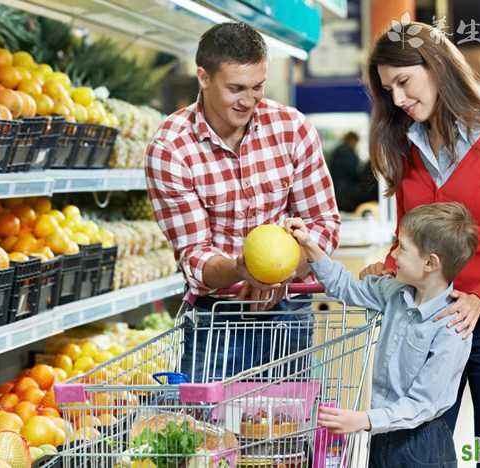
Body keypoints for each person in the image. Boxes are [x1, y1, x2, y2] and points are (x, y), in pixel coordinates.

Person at [359, 21, 480, 467]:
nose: (398, 100)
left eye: (404, 82)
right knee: (417, 455)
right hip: (425, 326)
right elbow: (411, 237)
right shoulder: (406, 146)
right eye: (388, 90)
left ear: (438, 66)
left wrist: (479, 300)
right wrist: (390, 263)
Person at [145, 22, 340, 382]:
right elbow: (194, 254)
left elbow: (324, 223)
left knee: (288, 430)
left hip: (289, 313)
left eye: (257, 87)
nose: (249, 100)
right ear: (203, 77)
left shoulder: (292, 128)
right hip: (219, 319)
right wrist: (242, 270)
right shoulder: (171, 148)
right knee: (212, 432)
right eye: (235, 88)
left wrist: (279, 272)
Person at [285, 201, 479, 468]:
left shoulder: (452, 328)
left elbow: (423, 404)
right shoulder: (393, 292)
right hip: (380, 437)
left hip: (422, 446)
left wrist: (362, 420)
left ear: (430, 263)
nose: (394, 254)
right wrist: (309, 245)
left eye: (402, 247)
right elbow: (345, 287)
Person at [329, 131, 362, 212]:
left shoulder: (338, 150)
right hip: (346, 190)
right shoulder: (347, 152)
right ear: (352, 140)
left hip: (337, 188)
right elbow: (353, 170)